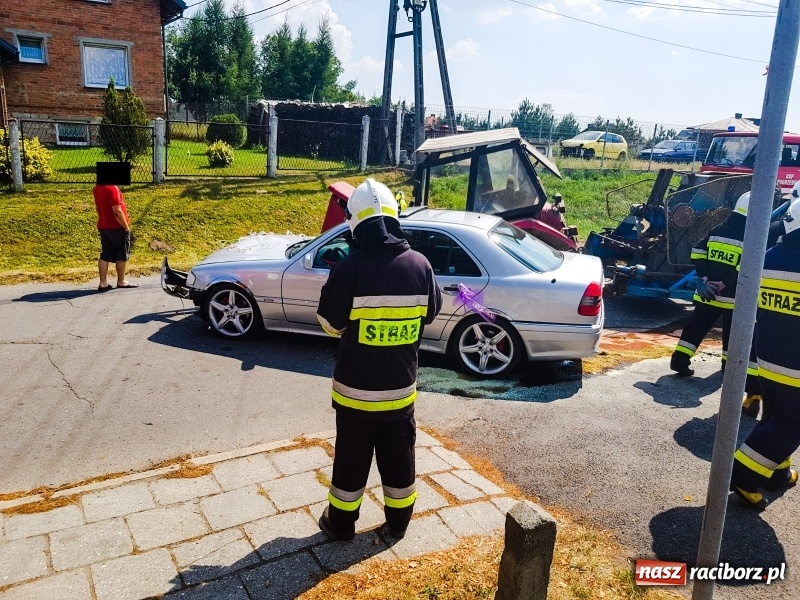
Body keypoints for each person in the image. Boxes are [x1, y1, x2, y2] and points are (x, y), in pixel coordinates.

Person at [316, 177, 442, 541]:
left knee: (351, 461)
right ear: (394, 217)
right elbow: (430, 312)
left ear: (356, 222)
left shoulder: (349, 267)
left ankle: (340, 526)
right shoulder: (420, 265)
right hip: (400, 393)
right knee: (399, 459)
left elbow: (330, 324)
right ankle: (399, 524)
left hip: (355, 392)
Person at [730, 198, 800, 509]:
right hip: (796, 363)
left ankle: (777, 473)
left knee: (777, 416)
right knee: (790, 422)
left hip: (769, 358)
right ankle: (743, 476)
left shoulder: (769, 256)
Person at [670, 192, 760, 401]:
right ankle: (727, 366)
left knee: (696, 326)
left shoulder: (719, 229)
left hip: (707, 291)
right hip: (733, 295)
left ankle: (680, 360)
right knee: (731, 332)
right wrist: (725, 282)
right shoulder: (752, 235)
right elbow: (747, 265)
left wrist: (705, 276)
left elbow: (697, 251)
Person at [94, 175, 136, 290]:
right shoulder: (112, 188)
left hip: (103, 225)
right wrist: (126, 227)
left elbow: (99, 207)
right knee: (122, 254)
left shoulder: (97, 188)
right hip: (117, 227)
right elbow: (117, 211)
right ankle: (121, 281)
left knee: (105, 254)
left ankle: (103, 283)